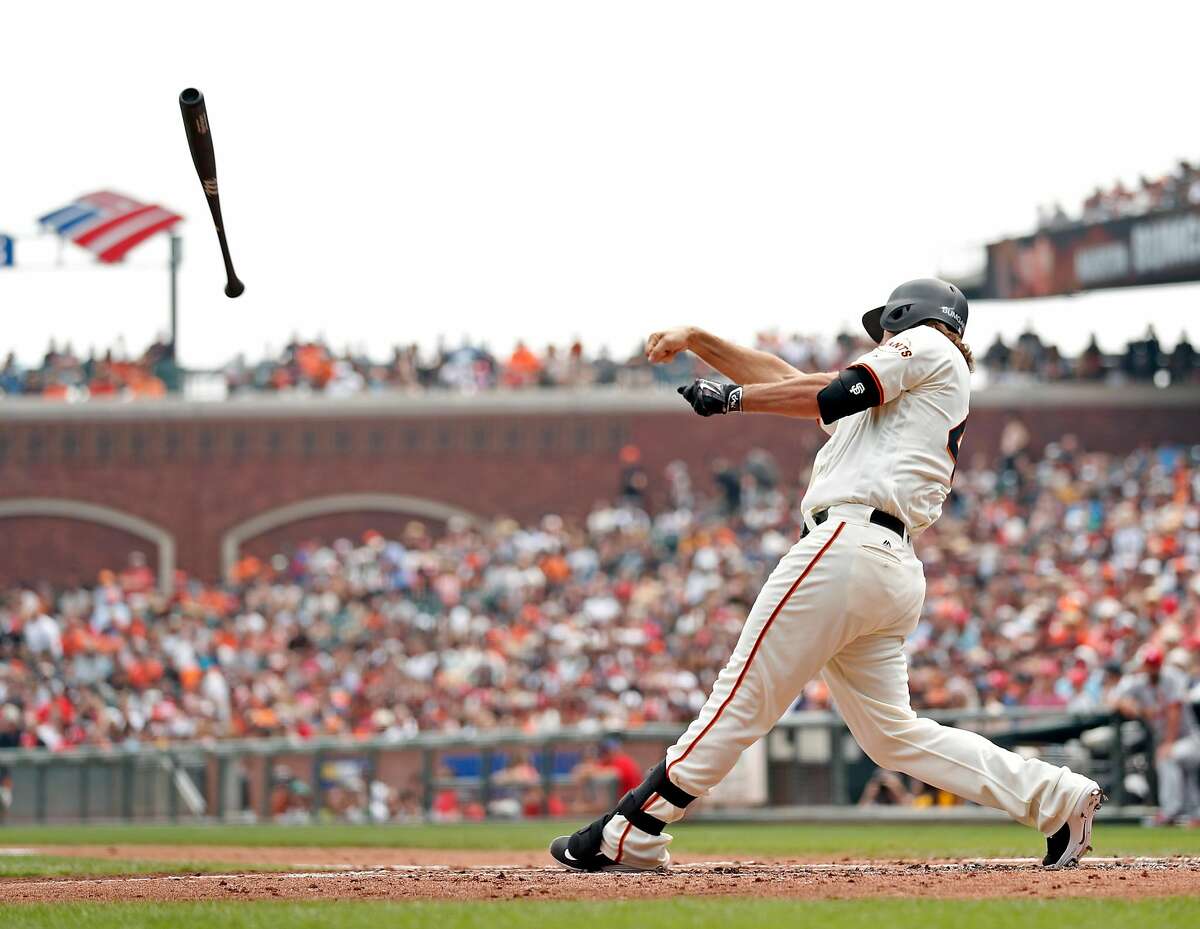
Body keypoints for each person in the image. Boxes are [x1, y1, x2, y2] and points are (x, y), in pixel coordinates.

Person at [550, 278, 1102, 874]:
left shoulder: (929, 346)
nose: (882, 340)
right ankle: (1057, 797)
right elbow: (789, 378)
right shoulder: (901, 406)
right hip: (883, 562)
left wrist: (732, 400)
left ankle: (635, 825)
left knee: (742, 695)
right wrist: (701, 341)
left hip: (848, 546)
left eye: (886, 330)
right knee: (893, 736)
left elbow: (831, 391)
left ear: (908, 317)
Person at [1112, 648, 1200, 824]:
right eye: (1149, 665)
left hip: (1189, 739)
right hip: (1172, 741)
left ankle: (1170, 812)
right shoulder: (1139, 683)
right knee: (1181, 771)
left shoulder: (1171, 678)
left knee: (1168, 759)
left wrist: (1168, 743)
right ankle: (1194, 814)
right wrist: (1131, 705)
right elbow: (1115, 698)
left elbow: (1174, 712)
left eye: (1155, 665)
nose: (1152, 669)